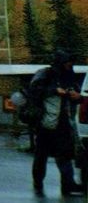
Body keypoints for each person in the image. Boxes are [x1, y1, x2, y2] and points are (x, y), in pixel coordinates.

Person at [29, 49, 84, 197]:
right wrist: (54, 90)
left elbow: (78, 95)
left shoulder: (69, 76)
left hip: (63, 122)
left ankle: (68, 185)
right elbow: (34, 90)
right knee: (41, 155)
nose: (70, 65)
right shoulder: (45, 74)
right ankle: (38, 183)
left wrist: (76, 96)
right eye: (67, 62)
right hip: (45, 122)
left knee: (65, 154)